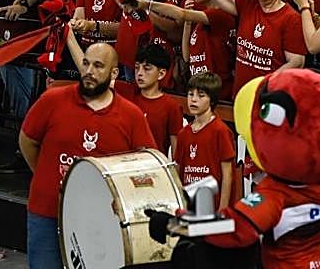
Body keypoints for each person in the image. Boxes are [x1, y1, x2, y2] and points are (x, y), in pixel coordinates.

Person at [18, 43, 154, 269]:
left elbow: (146, 164)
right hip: (48, 213)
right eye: (86, 63)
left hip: (101, 221)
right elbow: (27, 141)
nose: (89, 71)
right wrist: (45, 173)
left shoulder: (131, 116)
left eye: (98, 66)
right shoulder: (52, 101)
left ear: (114, 73)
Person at [184, 0, 307, 91]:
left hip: (268, 96)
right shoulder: (247, 3)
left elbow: (296, 62)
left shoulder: (291, 18)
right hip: (239, 95)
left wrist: (264, 85)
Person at [173, 71, 235, 210]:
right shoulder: (183, 133)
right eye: (190, 94)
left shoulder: (220, 131)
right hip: (190, 206)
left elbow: (228, 174)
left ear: (212, 100)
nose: (193, 100)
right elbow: (178, 170)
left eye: (201, 96)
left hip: (213, 205)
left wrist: (223, 209)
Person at [126, 43, 183, 156]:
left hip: (155, 167)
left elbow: (176, 150)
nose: (140, 73)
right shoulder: (127, 93)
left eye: (147, 68)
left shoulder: (171, 106)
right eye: (137, 68)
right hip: (125, 165)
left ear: (161, 74)